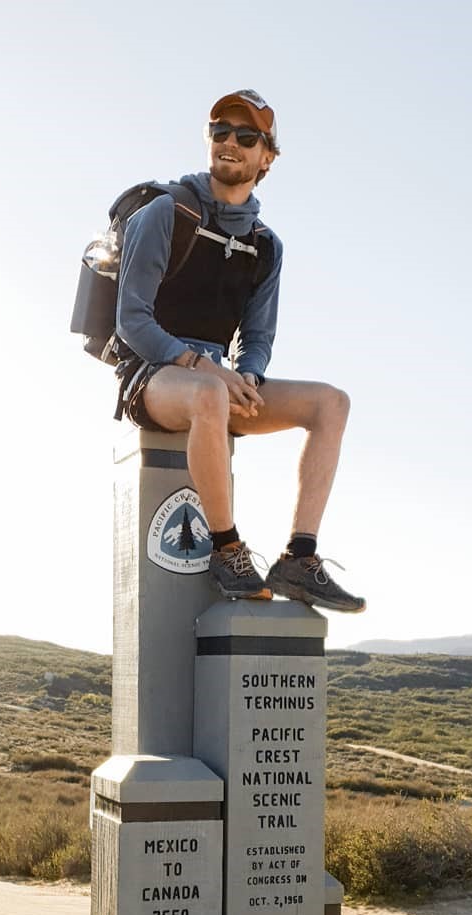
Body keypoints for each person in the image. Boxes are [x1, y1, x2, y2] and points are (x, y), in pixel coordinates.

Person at [114, 89, 364, 613]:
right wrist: (203, 367)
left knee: (331, 403)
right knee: (209, 392)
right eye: (220, 131)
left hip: (220, 384)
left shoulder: (266, 245)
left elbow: (258, 336)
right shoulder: (167, 212)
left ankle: (299, 558)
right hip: (154, 375)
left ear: (266, 156)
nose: (230, 143)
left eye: (246, 137)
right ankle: (228, 550)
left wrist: (248, 375)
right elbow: (131, 319)